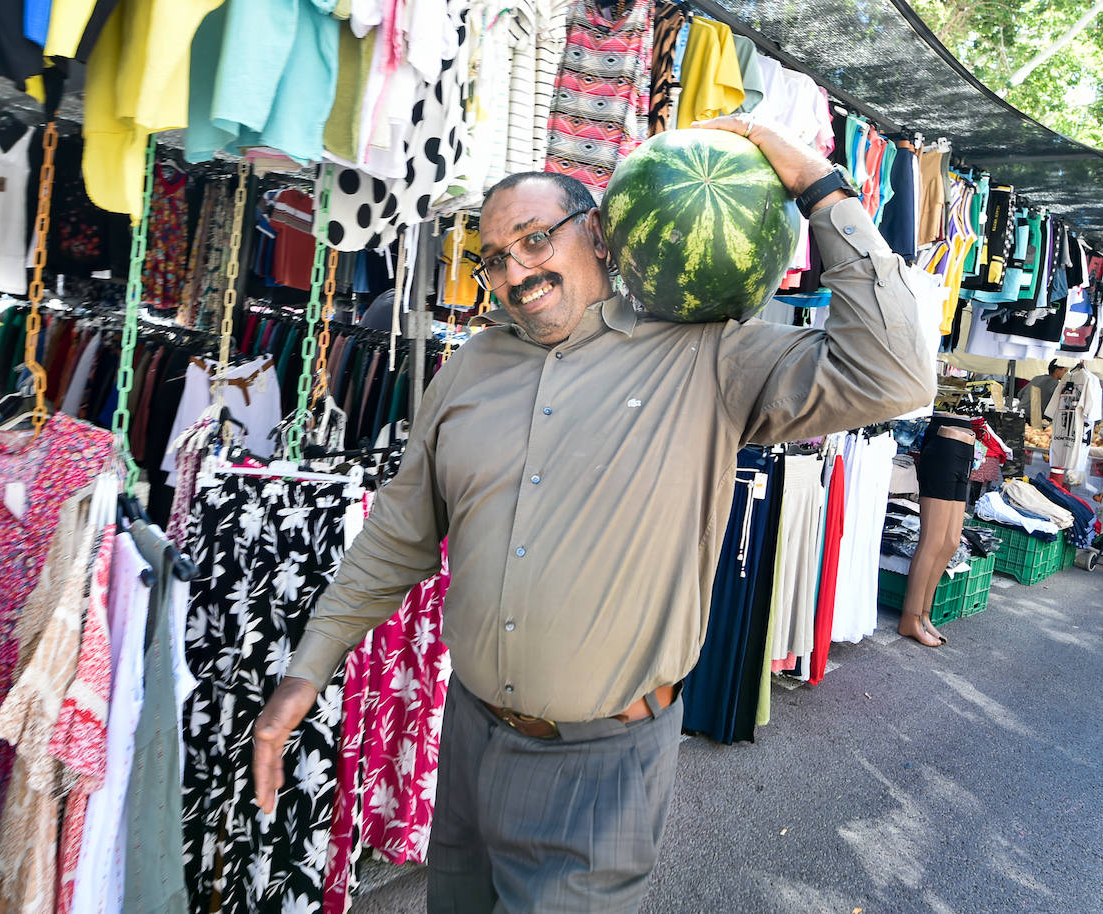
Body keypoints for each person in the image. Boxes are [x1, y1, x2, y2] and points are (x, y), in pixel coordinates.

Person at [253, 115, 936, 913]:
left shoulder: (710, 356)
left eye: (536, 239)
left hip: (603, 768)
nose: (515, 272)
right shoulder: (470, 367)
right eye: (494, 259)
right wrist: (308, 669)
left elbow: (893, 373)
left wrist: (818, 184)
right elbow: (397, 539)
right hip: (470, 738)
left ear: (601, 234)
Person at [898, 414, 977, 647]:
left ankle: (923, 614)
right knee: (932, 540)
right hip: (945, 444)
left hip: (965, 447)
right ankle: (909, 618)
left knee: (951, 541)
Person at [1020, 360, 1067, 425]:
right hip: (1034, 419)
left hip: (1021, 413)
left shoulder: (1036, 378)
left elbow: (1020, 394)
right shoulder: (1056, 384)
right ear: (1057, 371)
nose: (1066, 374)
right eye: (1065, 371)